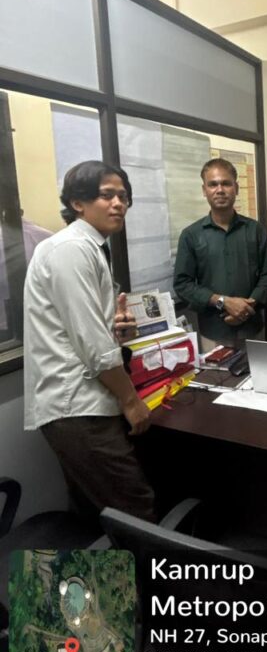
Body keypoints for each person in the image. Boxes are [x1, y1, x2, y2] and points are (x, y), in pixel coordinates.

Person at [24, 160, 156, 523]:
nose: (118, 204)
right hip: (79, 407)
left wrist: (115, 327)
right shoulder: (70, 249)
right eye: (107, 195)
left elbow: (82, 327)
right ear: (77, 203)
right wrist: (131, 400)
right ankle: (145, 564)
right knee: (134, 508)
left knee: (91, 510)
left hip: (83, 403)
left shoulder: (89, 246)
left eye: (123, 196)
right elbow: (92, 344)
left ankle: (95, 564)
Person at [173, 158, 267, 349]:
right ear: (204, 190)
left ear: (236, 188)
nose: (220, 190)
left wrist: (247, 307)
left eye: (226, 183)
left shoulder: (255, 230)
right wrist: (222, 302)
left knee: (257, 369)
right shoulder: (191, 235)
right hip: (213, 333)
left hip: (253, 329)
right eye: (213, 184)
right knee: (215, 370)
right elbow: (182, 284)